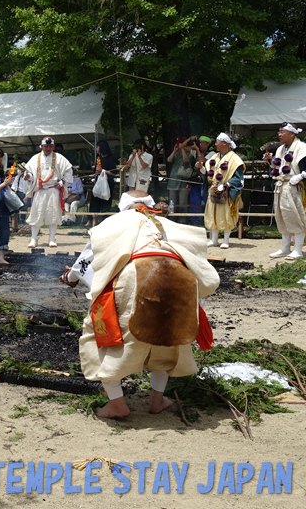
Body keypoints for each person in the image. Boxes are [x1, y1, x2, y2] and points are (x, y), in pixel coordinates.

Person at [60, 190, 219, 418]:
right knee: (166, 335)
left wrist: (71, 278)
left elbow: (86, 260)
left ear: (122, 207)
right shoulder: (165, 224)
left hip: (135, 274)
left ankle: (116, 403)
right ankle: (156, 399)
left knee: (106, 336)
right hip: (182, 277)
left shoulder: (116, 222)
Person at [265, 122, 306, 259]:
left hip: (294, 185)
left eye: (282, 132)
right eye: (279, 131)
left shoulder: (302, 147)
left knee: (295, 216)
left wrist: (301, 176)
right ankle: (285, 247)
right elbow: (279, 168)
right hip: (281, 185)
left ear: (292, 133)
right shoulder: (281, 149)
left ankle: (298, 249)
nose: (279, 134)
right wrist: (271, 161)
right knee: (282, 216)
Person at [197, 132, 244, 249]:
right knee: (211, 214)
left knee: (226, 214)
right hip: (213, 188)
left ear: (224, 143)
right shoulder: (215, 157)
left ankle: (226, 240)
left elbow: (238, 178)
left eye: (217, 142)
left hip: (226, 190)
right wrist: (201, 168)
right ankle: (214, 239)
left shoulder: (235, 159)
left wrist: (226, 184)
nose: (215, 144)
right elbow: (208, 173)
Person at [24, 137, 73, 248]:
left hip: (53, 190)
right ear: (41, 146)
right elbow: (30, 173)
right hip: (40, 189)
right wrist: (28, 176)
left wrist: (63, 182)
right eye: (46, 146)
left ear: (53, 146)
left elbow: (69, 170)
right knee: (36, 214)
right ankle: (33, 239)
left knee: (53, 214)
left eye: (50, 146)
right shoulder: (35, 158)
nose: (48, 148)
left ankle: (52, 239)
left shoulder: (59, 158)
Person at [87, 140, 118, 227]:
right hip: (98, 182)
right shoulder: (98, 157)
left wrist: (103, 171)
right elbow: (95, 169)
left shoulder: (110, 158)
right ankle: (91, 220)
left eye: (97, 146)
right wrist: (96, 171)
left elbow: (114, 172)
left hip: (107, 182)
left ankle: (104, 221)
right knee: (94, 200)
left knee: (105, 201)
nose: (96, 148)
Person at [166, 136, 197, 221]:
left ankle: (182, 219)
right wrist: (175, 150)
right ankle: (172, 219)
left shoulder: (189, 154)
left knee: (182, 202)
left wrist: (183, 149)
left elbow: (186, 161)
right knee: (172, 202)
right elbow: (169, 160)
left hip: (183, 181)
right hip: (173, 181)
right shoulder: (175, 154)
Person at [189, 136, 215, 224]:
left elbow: (203, 160)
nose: (200, 144)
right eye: (199, 142)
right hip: (196, 181)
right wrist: (190, 139)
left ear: (208, 144)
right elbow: (182, 146)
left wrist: (196, 149)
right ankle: (195, 220)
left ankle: (210, 220)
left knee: (208, 201)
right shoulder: (195, 152)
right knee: (195, 200)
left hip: (206, 182)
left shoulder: (212, 153)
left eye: (202, 143)